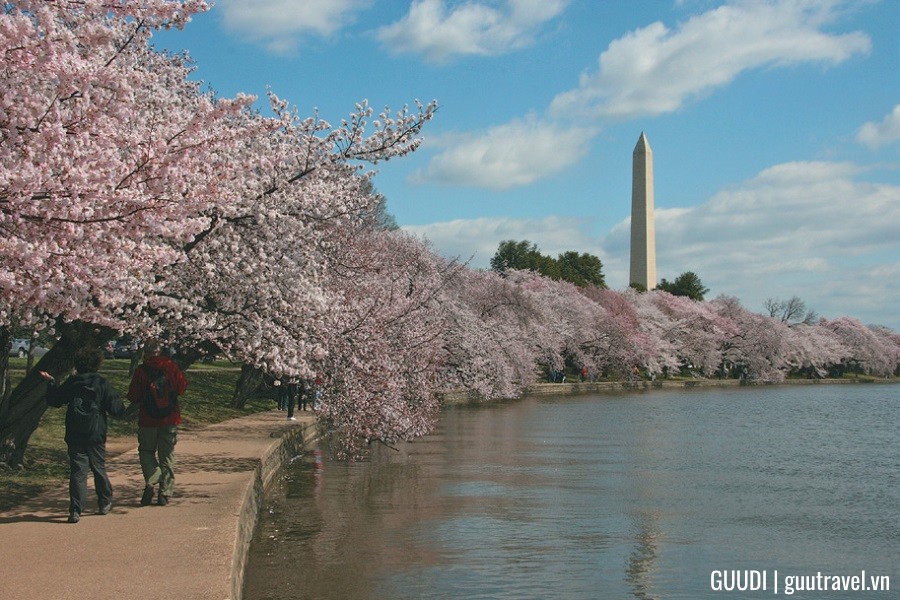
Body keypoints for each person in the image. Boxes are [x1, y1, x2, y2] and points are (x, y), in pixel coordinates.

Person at [41, 347, 125, 523]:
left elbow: (55, 400)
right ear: (97, 364)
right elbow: (117, 409)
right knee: (98, 468)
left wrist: (52, 383)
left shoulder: (73, 382)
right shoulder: (101, 383)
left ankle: (75, 510)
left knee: (78, 471)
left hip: (75, 433)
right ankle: (104, 501)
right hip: (96, 434)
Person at [127, 340, 188, 507]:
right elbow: (182, 388)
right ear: (160, 352)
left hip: (148, 420)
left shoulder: (141, 371)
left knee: (146, 451)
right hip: (170, 419)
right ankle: (165, 493)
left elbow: (133, 396)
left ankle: (153, 478)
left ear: (146, 354)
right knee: (167, 456)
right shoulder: (171, 367)